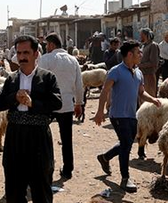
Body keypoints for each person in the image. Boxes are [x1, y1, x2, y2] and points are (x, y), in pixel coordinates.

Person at [0, 35, 62, 203]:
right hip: (15, 136)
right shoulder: (11, 80)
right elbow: (0, 104)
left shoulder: (47, 77)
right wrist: (14, 98)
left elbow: (56, 102)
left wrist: (33, 103)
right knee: (15, 185)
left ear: (36, 54)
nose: (22, 57)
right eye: (19, 53)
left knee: (41, 184)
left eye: (26, 52)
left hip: (38, 137)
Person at [94, 40, 161, 191]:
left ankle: (105, 157)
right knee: (126, 145)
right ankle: (125, 178)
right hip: (118, 115)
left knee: (127, 143)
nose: (141, 54)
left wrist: (153, 100)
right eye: (138, 52)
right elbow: (105, 91)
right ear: (129, 54)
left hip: (132, 115)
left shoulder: (138, 73)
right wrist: (99, 112)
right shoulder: (115, 71)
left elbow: (141, 92)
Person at [38, 33, 84, 179]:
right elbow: (79, 84)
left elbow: (39, 81)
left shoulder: (45, 59)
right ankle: (68, 169)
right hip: (67, 104)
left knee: (42, 137)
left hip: (48, 105)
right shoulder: (73, 60)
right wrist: (79, 103)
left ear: (51, 44)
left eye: (46, 45)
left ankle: (45, 167)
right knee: (66, 139)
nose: (46, 47)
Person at [138, 28, 160, 97]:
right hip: (142, 74)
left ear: (146, 35)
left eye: (142, 35)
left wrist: (140, 65)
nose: (140, 37)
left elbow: (153, 63)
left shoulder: (153, 45)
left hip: (149, 75)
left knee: (149, 96)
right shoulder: (143, 46)